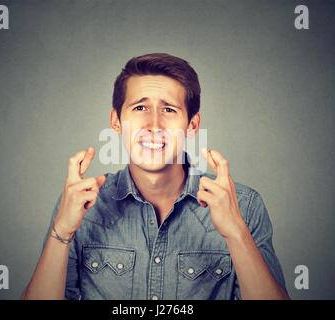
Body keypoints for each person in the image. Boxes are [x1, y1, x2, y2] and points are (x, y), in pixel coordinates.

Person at [21, 53, 290, 300]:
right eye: (140, 108)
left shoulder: (244, 206)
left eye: (169, 110)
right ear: (116, 121)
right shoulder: (81, 206)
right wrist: (62, 232)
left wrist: (236, 234)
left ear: (192, 125)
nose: (153, 126)